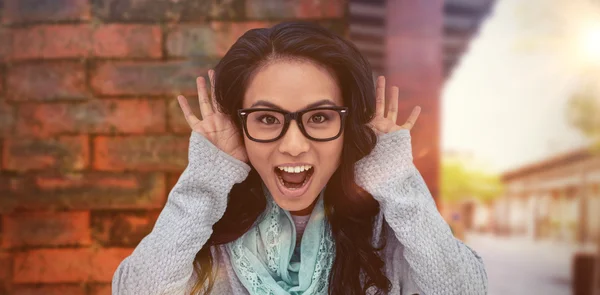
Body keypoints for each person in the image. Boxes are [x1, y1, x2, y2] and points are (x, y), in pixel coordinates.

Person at [112, 21, 487, 295]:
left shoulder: (387, 233)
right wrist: (206, 178)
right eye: (267, 119)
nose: (293, 145)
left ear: (349, 126)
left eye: (319, 117)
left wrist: (396, 179)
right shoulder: (207, 232)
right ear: (239, 127)